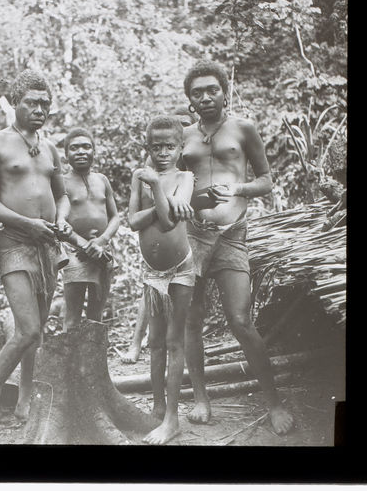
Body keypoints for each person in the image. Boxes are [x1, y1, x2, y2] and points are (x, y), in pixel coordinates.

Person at [176, 59, 294, 434]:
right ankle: (200, 397)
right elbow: (170, 182)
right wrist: (187, 200)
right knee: (191, 322)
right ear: (190, 100)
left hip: (231, 236)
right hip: (191, 236)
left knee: (241, 321)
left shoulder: (243, 129)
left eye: (212, 89)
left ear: (224, 91)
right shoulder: (183, 135)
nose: (206, 97)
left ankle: (274, 404)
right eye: (198, 93)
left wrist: (236, 189)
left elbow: (266, 181)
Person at [0, 69, 71, 429]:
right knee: (28, 328)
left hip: (47, 246)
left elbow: (61, 195)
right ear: (15, 103)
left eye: (45, 103)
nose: (40, 109)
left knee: (38, 329)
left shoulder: (49, 148)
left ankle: (26, 398)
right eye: (32, 102)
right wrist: (24, 223)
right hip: (13, 242)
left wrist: (62, 219)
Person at [128, 116, 195, 445]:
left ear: (181, 147)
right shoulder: (139, 177)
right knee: (154, 344)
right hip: (151, 271)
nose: (163, 152)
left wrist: (156, 188)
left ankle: (172, 418)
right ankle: (156, 408)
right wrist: (156, 195)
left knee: (173, 341)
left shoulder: (186, 177)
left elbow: (168, 223)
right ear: (148, 148)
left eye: (170, 146)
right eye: (156, 147)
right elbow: (131, 220)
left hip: (180, 269)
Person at [120, 106, 197, 364]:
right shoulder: (152, 164)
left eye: (187, 125)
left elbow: (184, 200)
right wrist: (166, 201)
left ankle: (181, 349)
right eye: (157, 146)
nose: (164, 151)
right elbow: (140, 214)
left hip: (186, 231)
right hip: (159, 238)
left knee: (181, 300)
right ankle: (136, 341)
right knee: (153, 289)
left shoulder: (189, 164)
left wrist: (177, 201)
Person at [61, 128, 120, 330]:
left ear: (94, 151)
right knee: (73, 316)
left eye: (86, 147)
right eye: (74, 148)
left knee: (96, 315)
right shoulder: (61, 183)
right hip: (75, 253)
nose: (81, 152)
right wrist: (84, 244)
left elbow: (115, 217)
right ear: (66, 154)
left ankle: (94, 361)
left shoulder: (102, 180)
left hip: (102, 252)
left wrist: (102, 241)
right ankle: (71, 361)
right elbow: (59, 222)